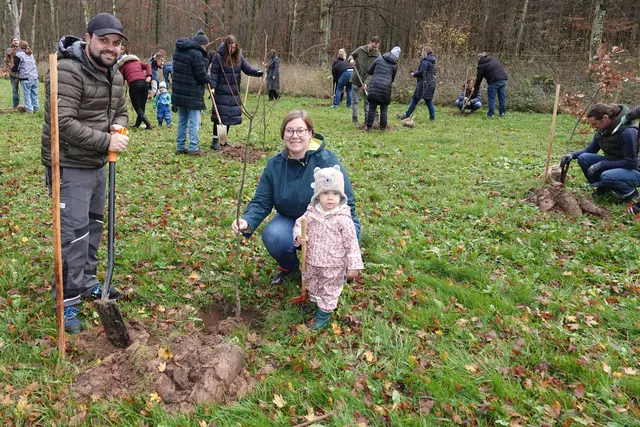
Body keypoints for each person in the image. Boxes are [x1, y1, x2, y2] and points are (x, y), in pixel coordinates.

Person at [40, 12, 129, 334]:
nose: (110, 48)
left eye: (116, 43)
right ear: (88, 37)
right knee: (72, 235)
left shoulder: (114, 74)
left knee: (93, 227)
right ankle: (66, 301)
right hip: (69, 164)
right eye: (104, 41)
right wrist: (108, 139)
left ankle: (87, 281)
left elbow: (120, 109)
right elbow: (61, 123)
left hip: (96, 164)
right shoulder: (67, 70)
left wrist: (120, 126)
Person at [231, 110, 361, 285]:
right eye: (289, 131)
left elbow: (347, 204)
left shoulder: (327, 161)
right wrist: (246, 221)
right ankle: (290, 267)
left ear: (310, 134)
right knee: (274, 236)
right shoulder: (274, 165)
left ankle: (333, 269)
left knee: (334, 242)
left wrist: (349, 240)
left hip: (328, 220)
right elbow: (261, 202)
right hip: (291, 218)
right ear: (283, 134)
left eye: (301, 131)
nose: (295, 136)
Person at [293, 166, 364, 330]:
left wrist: (353, 265)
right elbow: (298, 224)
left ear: (341, 196)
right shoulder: (311, 213)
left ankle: (323, 315)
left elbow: (351, 242)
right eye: (325, 193)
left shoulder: (343, 219)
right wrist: (299, 236)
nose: (330, 198)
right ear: (318, 196)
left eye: (335, 194)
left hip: (334, 264)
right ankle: (314, 302)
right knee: (313, 283)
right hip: (312, 260)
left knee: (329, 289)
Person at [559, 103, 639, 204]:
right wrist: (572, 155)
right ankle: (604, 188)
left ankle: (630, 194)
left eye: (594, 123)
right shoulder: (603, 130)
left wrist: (602, 164)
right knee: (584, 158)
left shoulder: (627, 132)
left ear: (605, 118)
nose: (593, 127)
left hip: (634, 170)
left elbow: (632, 163)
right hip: (616, 163)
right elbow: (590, 150)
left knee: (607, 176)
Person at [209, 35, 263, 151]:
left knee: (229, 117)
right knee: (220, 117)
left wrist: (257, 72)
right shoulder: (219, 57)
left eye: (234, 48)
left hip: (233, 91)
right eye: (230, 48)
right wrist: (212, 87)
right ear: (226, 46)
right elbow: (214, 72)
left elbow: (247, 68)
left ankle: (223, 141)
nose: (232, 50)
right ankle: (215, 141)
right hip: (221, 90)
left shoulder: (238, 57)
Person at [172, 29, 210, 156]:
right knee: (194, 121)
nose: (205, 48)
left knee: (182, 120)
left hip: (179, 92)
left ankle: (180, 146)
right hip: (192, 93)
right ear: (201, 44)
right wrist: (208, 77)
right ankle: (193, 147)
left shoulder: (178, 50)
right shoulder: (196, 54)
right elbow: (201, 75)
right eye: (205, 45)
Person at [365, 46, 400, 131]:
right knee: (384, 109)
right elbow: (392, 79)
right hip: (386, 88)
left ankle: (369, 127)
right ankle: (383, 128)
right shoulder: (395, 65)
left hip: (375, 86)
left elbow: (369, 71)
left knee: (372, 108)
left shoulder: (379, 59)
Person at [116, 49, 153, 129]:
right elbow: (147, 65)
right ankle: (137, 124)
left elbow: (120, 79)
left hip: (134, 85)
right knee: (142, 106)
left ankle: (147, 123)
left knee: (137, 106)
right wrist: (149, 75)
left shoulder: (123, 67)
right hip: (144, 84)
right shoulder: (138, 63)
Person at [397, 46, 436, 121]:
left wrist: (414, 74)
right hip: (431, 83)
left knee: (415, 99)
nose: (421, 53)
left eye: (422, 51)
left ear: (425, 52)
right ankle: (432, 118)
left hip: (424, 84)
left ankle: (406, 115)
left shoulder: (425, 61)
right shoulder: (432, 61)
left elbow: (421, 72)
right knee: (428, 101)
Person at [348, 36, 380, 125]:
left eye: (376, 47)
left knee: (367, 101)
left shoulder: (378, 56)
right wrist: (351, 59)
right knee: (355, 101)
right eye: (373, 47)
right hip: (356, 78)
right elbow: (351, 55)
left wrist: (366, 83)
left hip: (367, 82)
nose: (374, 49)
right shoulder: (360, 50)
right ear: (370, 42)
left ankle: (367, 119)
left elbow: (374, 72)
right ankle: (355, 119)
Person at [473, 52, 507, 118]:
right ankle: (502, 114)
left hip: (493, 81)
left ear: (479, 58)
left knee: (492, 98)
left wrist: (475, 89)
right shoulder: (493, 59)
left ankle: (490, 114)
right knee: (502, 98)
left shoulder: (482, 66)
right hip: (503, 79)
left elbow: (479, 79)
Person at [12, 40, 39, 114]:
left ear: (20, 47)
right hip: (35, 77)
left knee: (27, 95)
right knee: (34, 95)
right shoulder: (31, 54)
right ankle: (36, 109)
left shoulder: (19, 55)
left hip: (26, 78)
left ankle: (29, 110)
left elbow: (15, 68)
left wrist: (11, 69)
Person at [5, 36, 20, 108]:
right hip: (13, 73)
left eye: (17, 40)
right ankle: (15, 105)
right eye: (14, 40)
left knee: (26, 89)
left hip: (23, 72)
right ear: (11, 42)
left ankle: (28, 105)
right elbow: (7, 61)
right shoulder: (8, 50)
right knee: (15, 90)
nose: (16, 41)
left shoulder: (22, 49)